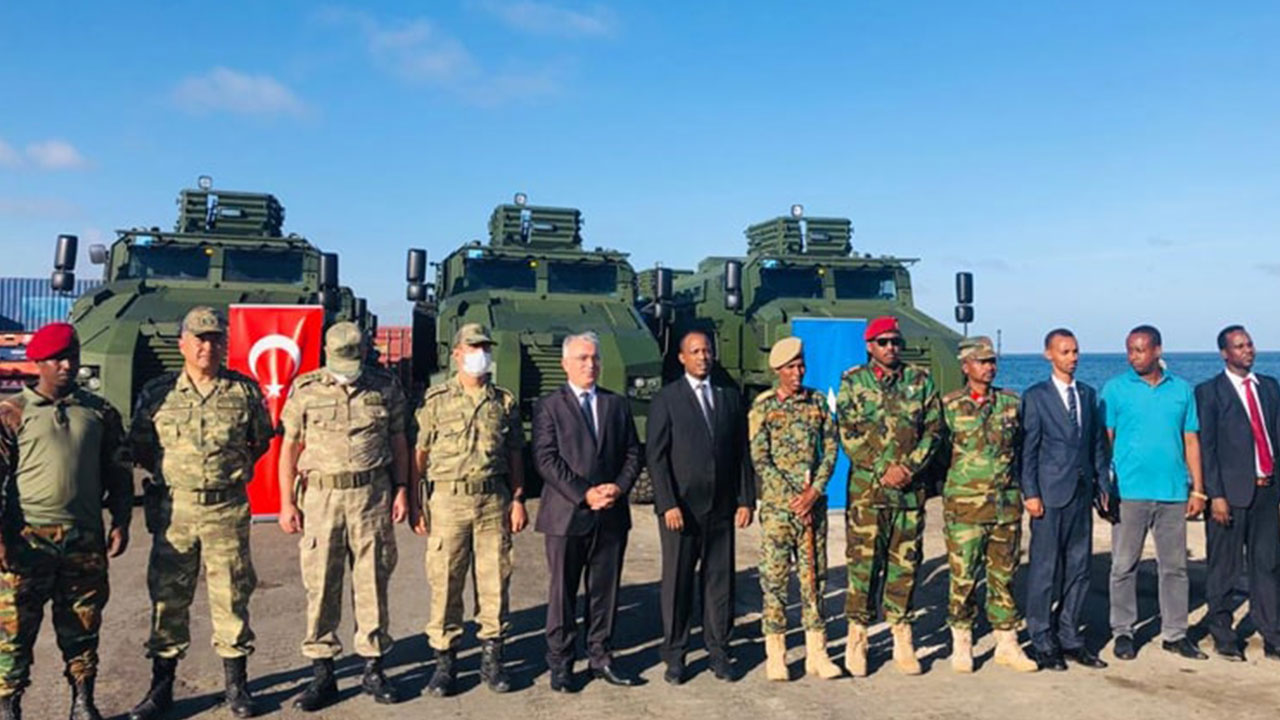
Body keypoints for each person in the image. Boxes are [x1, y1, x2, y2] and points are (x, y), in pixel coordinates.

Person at [128, 307, 273, 719]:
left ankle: (236, 687)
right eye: (199, 339)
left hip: (226, 508)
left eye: (215, 339)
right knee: (168, 600)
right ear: (183, 345)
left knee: (232, 596)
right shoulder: (159, 393)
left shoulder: (243, 391)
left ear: (225, 344)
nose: (207, 346)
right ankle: (161, 689)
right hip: (176, 510)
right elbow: (139, 445)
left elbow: (259, 441)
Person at [0, 323, 131, 720]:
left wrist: (121, 519)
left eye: (71, 357)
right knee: (13, 630)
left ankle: (82, 700)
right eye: (57, 358)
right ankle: (9, 705)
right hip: (27, 539)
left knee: (83, 625)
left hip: (83, 539)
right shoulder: (11, 413)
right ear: (37, 362)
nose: (66, 365)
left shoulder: (99, 412)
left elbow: (118, 471)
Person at [277, 321, 410, 710]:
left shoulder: (384, 386)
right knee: (321, 584)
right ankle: (323, 673)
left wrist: (402, 488)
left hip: (371, 495)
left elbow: (400, 440)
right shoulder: (306, 389)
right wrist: (286, 502)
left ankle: (373, 667)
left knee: (372, 581)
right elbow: (288, 447)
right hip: (321, 498)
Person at [412, 324, 527, 696]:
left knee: (495, 581)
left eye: (485, 347)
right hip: (448, 500)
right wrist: (417, 501)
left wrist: (519, 498)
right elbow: (420, 453)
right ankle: (445, 665)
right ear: (457, 353)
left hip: (493, 500)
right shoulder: (437, 399)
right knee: (445, 581)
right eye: (474, 346)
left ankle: (492, 662)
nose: (481, 353)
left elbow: (515, 455)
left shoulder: (504, 401)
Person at [533, 331, 642, 692]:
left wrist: (618, 487)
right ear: (566, 364)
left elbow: (632, 453)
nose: (590, 364)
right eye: (582, 358)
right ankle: (562, 663)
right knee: (563, 594)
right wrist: (585, 494)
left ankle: (601, 657)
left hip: (610, 514)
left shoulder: (616, 404)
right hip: (567, 515)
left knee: (604, 591)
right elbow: (546, 459)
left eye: (594, 358)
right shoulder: (550, 405)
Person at [836, 316, 942, 676]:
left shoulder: (920, 381)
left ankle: (902, 634)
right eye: (883, 342)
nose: (891, 348)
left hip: (910, 494)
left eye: (895, 341)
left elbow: (934, 430)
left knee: (905, 566)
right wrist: (884, 467)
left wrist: (908, 469)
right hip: (869, 493)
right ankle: (858, 637)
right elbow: (847, 432)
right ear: (870, 346)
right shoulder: (853, 381)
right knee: (863, 567)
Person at [647, 330, 754, 685]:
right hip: (682, 512)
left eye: (707, 350)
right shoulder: (667, 399)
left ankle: (719, 650)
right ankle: (675, 654)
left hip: (722, 508)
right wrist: (667, 504)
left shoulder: (729, 397)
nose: (703, 357)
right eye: (695, 352)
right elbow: (656, 457)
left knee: (720, 583)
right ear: (681, 358)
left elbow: (741, 453)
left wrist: (745, 499)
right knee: (677, 584)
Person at [1101, 325, 1207, 661]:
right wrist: (1104, 487)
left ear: (1157, 350)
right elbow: (1106, 440)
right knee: (1123, 565)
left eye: (1141, 349)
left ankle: (1175, 633)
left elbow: (1191, 440)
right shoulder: (1115, 390)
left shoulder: (1181, 390)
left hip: (1173, 492)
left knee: (1174, 567)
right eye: (1130, 350)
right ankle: (1123, 631)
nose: (1134, 356)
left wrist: (1199, 490)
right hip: (1128, 492)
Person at [941, 336, 1038, 674]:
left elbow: (1024, 450)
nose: (990, 367)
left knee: (1003, 576)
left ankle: (1007, 642)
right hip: (964, 509)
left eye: (992, 361)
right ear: (965, 366)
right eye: (982, 362)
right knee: (963, 577)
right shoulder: (950, 407)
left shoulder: (1010, 403)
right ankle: (962, 641)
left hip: (1004, 507)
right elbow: (938, 455)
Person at [748, 337, 842, 682]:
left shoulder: (817, 402)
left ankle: (818, 653)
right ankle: (777, 654)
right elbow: (761, 458)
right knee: (775, 581)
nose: (798, 372)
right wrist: (794, 497)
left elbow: (831, 448)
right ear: (778, 370)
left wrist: (815, 491)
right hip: (779, 509)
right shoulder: (764, 406)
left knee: (814, 578)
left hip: (812, 506)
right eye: (791, 367)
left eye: (801, 366)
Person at [1019, 328, 1110, 671]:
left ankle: (1070, 637)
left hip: (1081, 495)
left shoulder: (1087, 394)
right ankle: (1042, 639)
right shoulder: (1036, 396)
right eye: (1065, 352)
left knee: (1079, 569)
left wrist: (1103, 485)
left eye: (1075, 351)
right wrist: (1031, 493)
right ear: (1049, 355)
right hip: (1049, 495)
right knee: (1044, 570)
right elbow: (1027, 451)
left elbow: (1096, 445)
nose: (1072, 358)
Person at [1195, 325, 1280, 661]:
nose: (1248, 350)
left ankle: (1272, 632)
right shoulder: (1210, 392)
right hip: (1228, 496)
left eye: (1250, 344)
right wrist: (1214, 494)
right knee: (1224, 568)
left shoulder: (1270, 388)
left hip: (1266, 491)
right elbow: (1207, 447)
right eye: (1240, 346)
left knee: (1268, 565)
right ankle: (1223, 634)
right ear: (1225, 353)